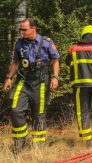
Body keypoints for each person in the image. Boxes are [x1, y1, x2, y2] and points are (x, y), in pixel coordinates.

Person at [3, 18, 60, 154]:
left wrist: (55, 77)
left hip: (41, 81)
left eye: (24, 29)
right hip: (24, 80)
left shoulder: (46, 42)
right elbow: (16, 63)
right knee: (16, 111)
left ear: (33, 29)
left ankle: (38, 145)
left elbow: (55, 60)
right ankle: (20, 141)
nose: (21, 32)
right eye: (20, 30)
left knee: (39, 114)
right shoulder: (19, 44)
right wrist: (9, 78)